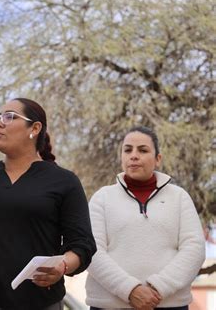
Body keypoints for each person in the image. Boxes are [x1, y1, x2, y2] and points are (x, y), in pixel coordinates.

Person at [0, 98, 96, 310]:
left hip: (37, 302)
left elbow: (82, 245)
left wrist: (62, 266)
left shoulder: (63, 181)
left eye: (9, 117)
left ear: (35, 128)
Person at [85, 126, 206, 310]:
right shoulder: (102, 198)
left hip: (168, 305)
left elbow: (194, 250)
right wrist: (131, 290)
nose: (134, 155)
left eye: (142, 150)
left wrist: (157, 288)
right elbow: (92, 252)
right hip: (110, 307)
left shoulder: (179, 197)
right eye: (128, 150)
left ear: (158, 159)